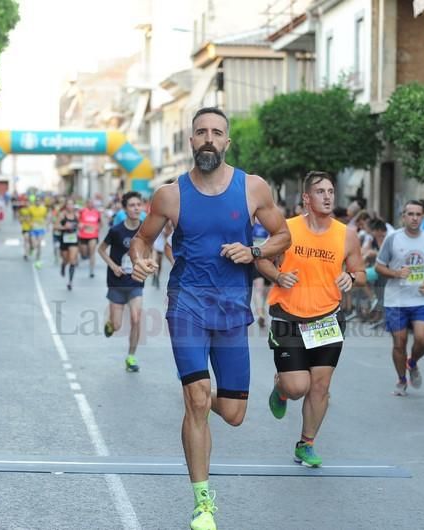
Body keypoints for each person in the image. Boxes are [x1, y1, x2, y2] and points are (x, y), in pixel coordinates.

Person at [128, 107, 290, 530]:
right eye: (201, 132)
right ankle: (203, 502)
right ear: (190, 140)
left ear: (227, 142)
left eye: (216, 133)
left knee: (233, 414)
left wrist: (254, 252)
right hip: (187, 304)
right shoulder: (170, 194)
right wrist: (140, 262)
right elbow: (142, 239)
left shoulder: (253, 188)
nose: (208, 139)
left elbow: (282, 235)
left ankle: (200, 393)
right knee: (198, 399)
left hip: (234, 309)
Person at [256, 171, 365, 468]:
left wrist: (351, 276)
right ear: (306, 198)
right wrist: (278, 275)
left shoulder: (347, 234)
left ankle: (306, 443)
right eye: (321, 191)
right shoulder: (286, 229)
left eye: (331, 191)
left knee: (320, 385)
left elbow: (360, 271)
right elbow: (261, 258)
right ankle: (281, 388)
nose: (328, 196)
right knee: (297, 387)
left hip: (327, 318)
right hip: (288, 315)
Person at [375, 200, 424, 396]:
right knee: (399, 342)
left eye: (418, 214)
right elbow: (379, 266)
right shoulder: (393, 239)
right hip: (396, 300)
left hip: (420, 299)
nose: (414, 218)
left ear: (423, 217)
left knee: (423, 338)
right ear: (403, 216)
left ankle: (412, 362)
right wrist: (396, 274)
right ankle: (402, 379)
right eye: (410, 214)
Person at [98, 191, 145, 372]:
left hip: (135, 282)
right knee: (117, 326)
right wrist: (113, 266)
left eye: (138, 205)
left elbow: (148, 250)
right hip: (117, 282)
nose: (136, 208)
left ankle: (131, 357)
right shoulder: (116, 231)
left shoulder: (144, 231)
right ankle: (110, 324)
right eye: (132, 205)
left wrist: (147, 263)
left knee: (136, 318)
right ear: (125, 209)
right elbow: (101, 250)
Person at [58, 199, 79, 289]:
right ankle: (63, 265)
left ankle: (70, 282)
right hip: (64, 240)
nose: (70, 206)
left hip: (73, 240)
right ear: (66, 206)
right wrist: (64, 227)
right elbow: (55, 226)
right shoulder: (62, 215)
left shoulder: (77, 215)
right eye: (68, 204)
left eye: (72, 204)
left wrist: (80, 226)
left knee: (72, 260)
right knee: (66, 260)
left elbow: (80, 224)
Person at [78, 198, 101, 278]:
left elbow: (100, 223)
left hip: (93, 235)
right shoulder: (82, 211)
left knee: (92, 253)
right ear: (86, 203)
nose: (91, 204)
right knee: (84, 254)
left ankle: (91, 271)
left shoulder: (97, 212)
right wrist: (81, 225)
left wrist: (98, 228)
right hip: (83, 235)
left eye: (92, 203)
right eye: (89, 202)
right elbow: (78, 221)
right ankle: (83, 256)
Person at [27, 195, 48, 268]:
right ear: (34, 201)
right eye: (36, 201)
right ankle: (31, 248)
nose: (37, 202)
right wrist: (30, 223)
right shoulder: (31, 208)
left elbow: (46, 217)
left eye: (39, 201)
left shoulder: (44, 209)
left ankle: (38, 259)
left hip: (41, 229)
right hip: (33, 228)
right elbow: (28, 217)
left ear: (41, 201)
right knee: (34, 244)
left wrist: (46, 225)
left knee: (39, 245)